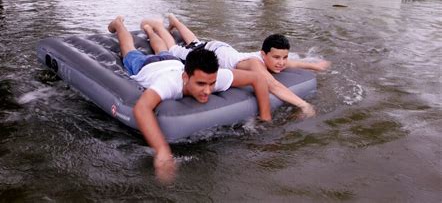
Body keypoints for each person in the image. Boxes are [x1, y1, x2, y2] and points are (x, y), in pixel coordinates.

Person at [107, 16, 271, 183]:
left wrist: (264, 119)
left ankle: (149, 30)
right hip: (147, 68)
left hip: (171, 61)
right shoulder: (169, 83)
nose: (207, 90)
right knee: (129, 50)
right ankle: (118, 24)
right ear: (186, 77)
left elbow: (258, 79)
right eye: (200, 84)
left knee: (163, 50)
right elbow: (141, 108)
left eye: (211, 84)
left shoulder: (214, 77)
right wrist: (162, 151)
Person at [145, 14, 330, 118]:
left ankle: (175, 20)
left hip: (221, 48)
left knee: (195, 41)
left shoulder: (267, 57)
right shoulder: (254, 62)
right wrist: (303, 105)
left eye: (283, 58)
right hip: (214, 51)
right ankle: (160, 27)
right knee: (174, 49)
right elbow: (272, 85)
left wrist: (315, 66)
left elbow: (292, 62)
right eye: (277, 58)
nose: (281, 63)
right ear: (264, 55)